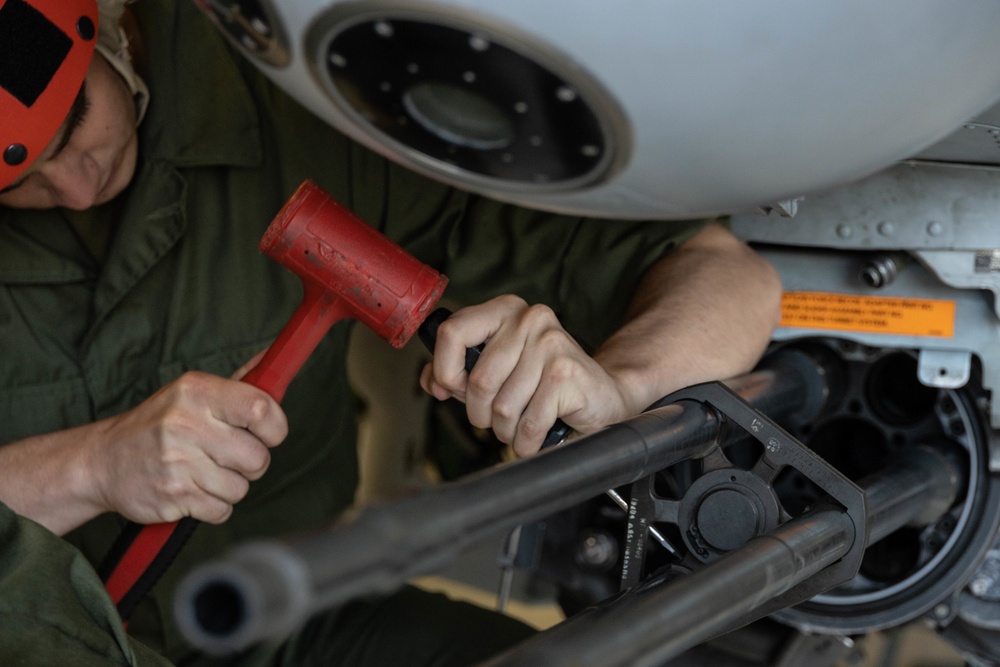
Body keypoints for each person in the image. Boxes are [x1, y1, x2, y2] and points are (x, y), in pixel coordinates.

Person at [0, 0, 782, 664]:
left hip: (291, 622)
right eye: (14, 177)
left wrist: (625, 383)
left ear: (102, 24)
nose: (73, 186)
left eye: (74, 122)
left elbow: (727, 276)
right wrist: (91, 466)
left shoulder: (287, 97)